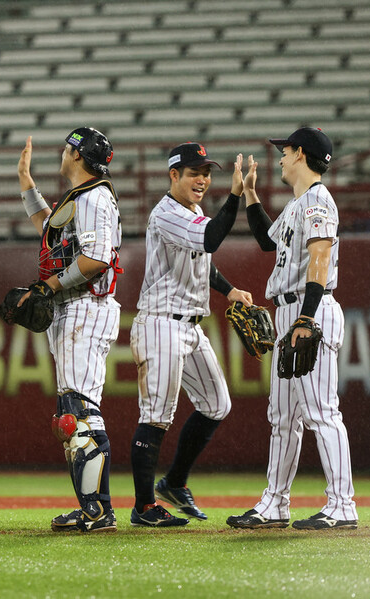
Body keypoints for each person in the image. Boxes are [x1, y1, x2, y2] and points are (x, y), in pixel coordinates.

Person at [227, 127, 357, 530]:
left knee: (321, 412)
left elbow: (320, 256)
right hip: (289, 312)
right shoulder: (297, 204)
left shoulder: (318, 199)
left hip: (308, 309)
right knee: (282, 416)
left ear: (300, 153)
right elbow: (269, 241)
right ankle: (274, 504)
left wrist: (306, 316)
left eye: (284, 151)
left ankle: (342, 505)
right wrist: (249, 194)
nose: (279, 157)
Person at [128, 143, 252, 528]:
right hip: (161, 322)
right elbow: (211, 239)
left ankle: (175, 483)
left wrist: (229, 290)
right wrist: (235, 194)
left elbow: (204, 261)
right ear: (174, 176)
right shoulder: (166, 214)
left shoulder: (194, 211)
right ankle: (144, 507)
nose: (202, 179)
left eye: (206, 172)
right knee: (156, 416)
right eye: (194, 172)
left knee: (216, 403)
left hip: (190, 325)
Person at [17, 129, 123, 533]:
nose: (63, 154)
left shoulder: (94, 197)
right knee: (71, 415)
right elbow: (52, 229)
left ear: (77, 155)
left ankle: (99, 511)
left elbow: (96, 258)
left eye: (67, 148)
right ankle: (93, 508)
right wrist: (27, 183)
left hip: (85, 307)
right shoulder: (81, 197)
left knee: (78, 414)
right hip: (73, 309)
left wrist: (49, 285)